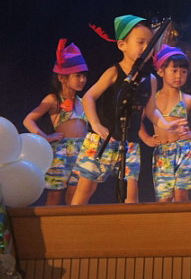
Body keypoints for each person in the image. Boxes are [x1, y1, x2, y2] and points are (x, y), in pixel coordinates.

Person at [71, 15, 183, 204]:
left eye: (149, 43)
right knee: (86, 188)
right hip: (103, 139)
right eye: (140, 42)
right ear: (122, 45)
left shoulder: (151, 79)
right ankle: (72, 222)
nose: (145, 47)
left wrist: (166, 124)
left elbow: (151, 110)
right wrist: (96, 125)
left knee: (131, 194)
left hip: (130, 142)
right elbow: (89, 97)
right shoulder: (114, 72)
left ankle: (130, 223)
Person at [139, 46, 191, 202]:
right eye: (174, 71)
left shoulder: (186, 99)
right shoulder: (152, 100)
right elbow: (136, 120)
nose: (179, 75)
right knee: (164, 199)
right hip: (163, 152)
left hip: (184, 150)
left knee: (181, 196)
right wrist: (146, 138)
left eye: (183, 71)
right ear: (161, 72)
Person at [23, 40, 89, 205]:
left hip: (81, 150)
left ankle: (73, 220)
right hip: (61, 151)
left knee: (75, 193)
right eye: (77, 75)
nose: (82, 79)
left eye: (84, 75)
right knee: (55, 193)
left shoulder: (83, 101)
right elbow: (28, 120)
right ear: (62, 78)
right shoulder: (53, 99)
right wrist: (45, 137)